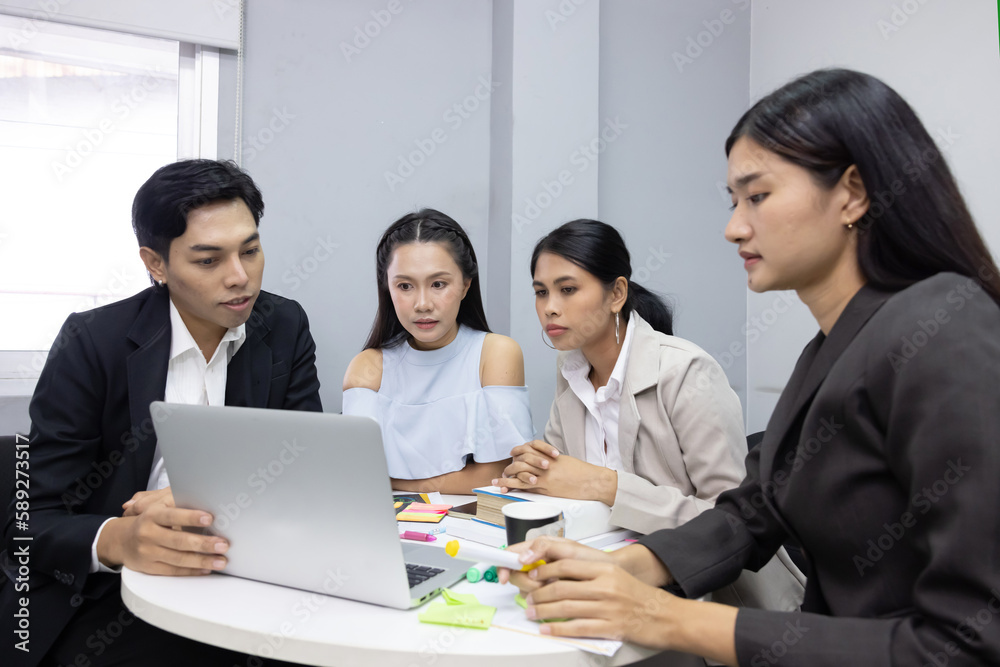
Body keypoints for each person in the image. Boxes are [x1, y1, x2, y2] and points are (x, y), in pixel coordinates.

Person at [500, 68, 1000, 666]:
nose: (734, 227)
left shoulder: (944, 329)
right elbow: (751, 512)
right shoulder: (828, 350)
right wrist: (616, 569)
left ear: (853, 193)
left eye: (757, 196)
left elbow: (968, 643)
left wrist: (661, 614)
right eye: (733, 201)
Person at [1, 159, 323, 666]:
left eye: (251, 250)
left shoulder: (283, 325)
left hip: (248, 581)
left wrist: (218, 500)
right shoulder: (93, 342)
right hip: (111, 598)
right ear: (155, 264)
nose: (240, 277)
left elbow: (307, 469)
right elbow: (28, 520)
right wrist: (118, 539)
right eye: (208, 260)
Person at [494, 220, 748, 535]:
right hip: (596, 558)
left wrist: (605, 485)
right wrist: (534, 474)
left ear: (616, 293)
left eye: (568, 289)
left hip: (690, 578)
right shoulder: (571, 370)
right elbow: (565, 485)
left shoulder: (687, 371)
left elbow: (732, 522)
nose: (550, 308)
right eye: (541, 292)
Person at [342, 209, 532, 494]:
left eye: (438, 284)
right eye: (405, 286)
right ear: (387, 288)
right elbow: (357, 473)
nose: (422, 304)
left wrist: (397, 484)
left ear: (466, 285)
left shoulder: (495, 354)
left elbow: (498, 473)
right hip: (383, 525)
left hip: (475, 529)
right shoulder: (368, 368)